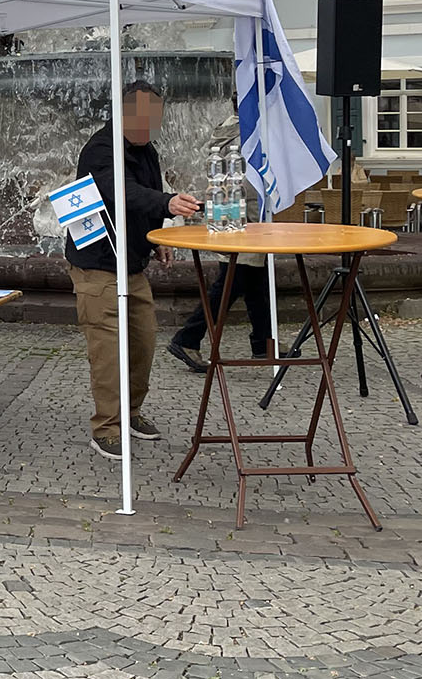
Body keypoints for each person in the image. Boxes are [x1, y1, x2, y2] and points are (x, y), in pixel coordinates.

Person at [64, 80, 200, 460]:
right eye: (142, 117)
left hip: (131, 265)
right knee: (108, 351)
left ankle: (132, 412)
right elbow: (121, 193)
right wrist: (168, 203)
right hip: (97, 267)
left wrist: (154, 239)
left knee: (143, 341)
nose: (149, 125)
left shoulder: (146, 149)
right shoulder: (101, 149)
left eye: (154, 118)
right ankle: (106, 428)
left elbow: (141, 200)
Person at [168, 109, 274, 371]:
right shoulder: (247, 130)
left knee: (254, 279)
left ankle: (264, 341)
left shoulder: (227, 127)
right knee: (232, 281)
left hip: (233, 210)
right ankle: (188, 337)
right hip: (241, 212)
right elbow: (246, 177)